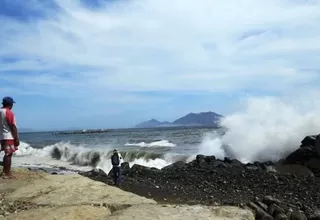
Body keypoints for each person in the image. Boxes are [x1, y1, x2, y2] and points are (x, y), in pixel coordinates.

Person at [0, 97, 19, 179]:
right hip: (8, 136)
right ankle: (7, 174)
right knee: (8, 155)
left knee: (6, 154)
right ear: (10, 104)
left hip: (2, 136)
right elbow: (13, 126)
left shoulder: (0, 111)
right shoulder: (9, 112)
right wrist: (16, 138)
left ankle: (5, 171)